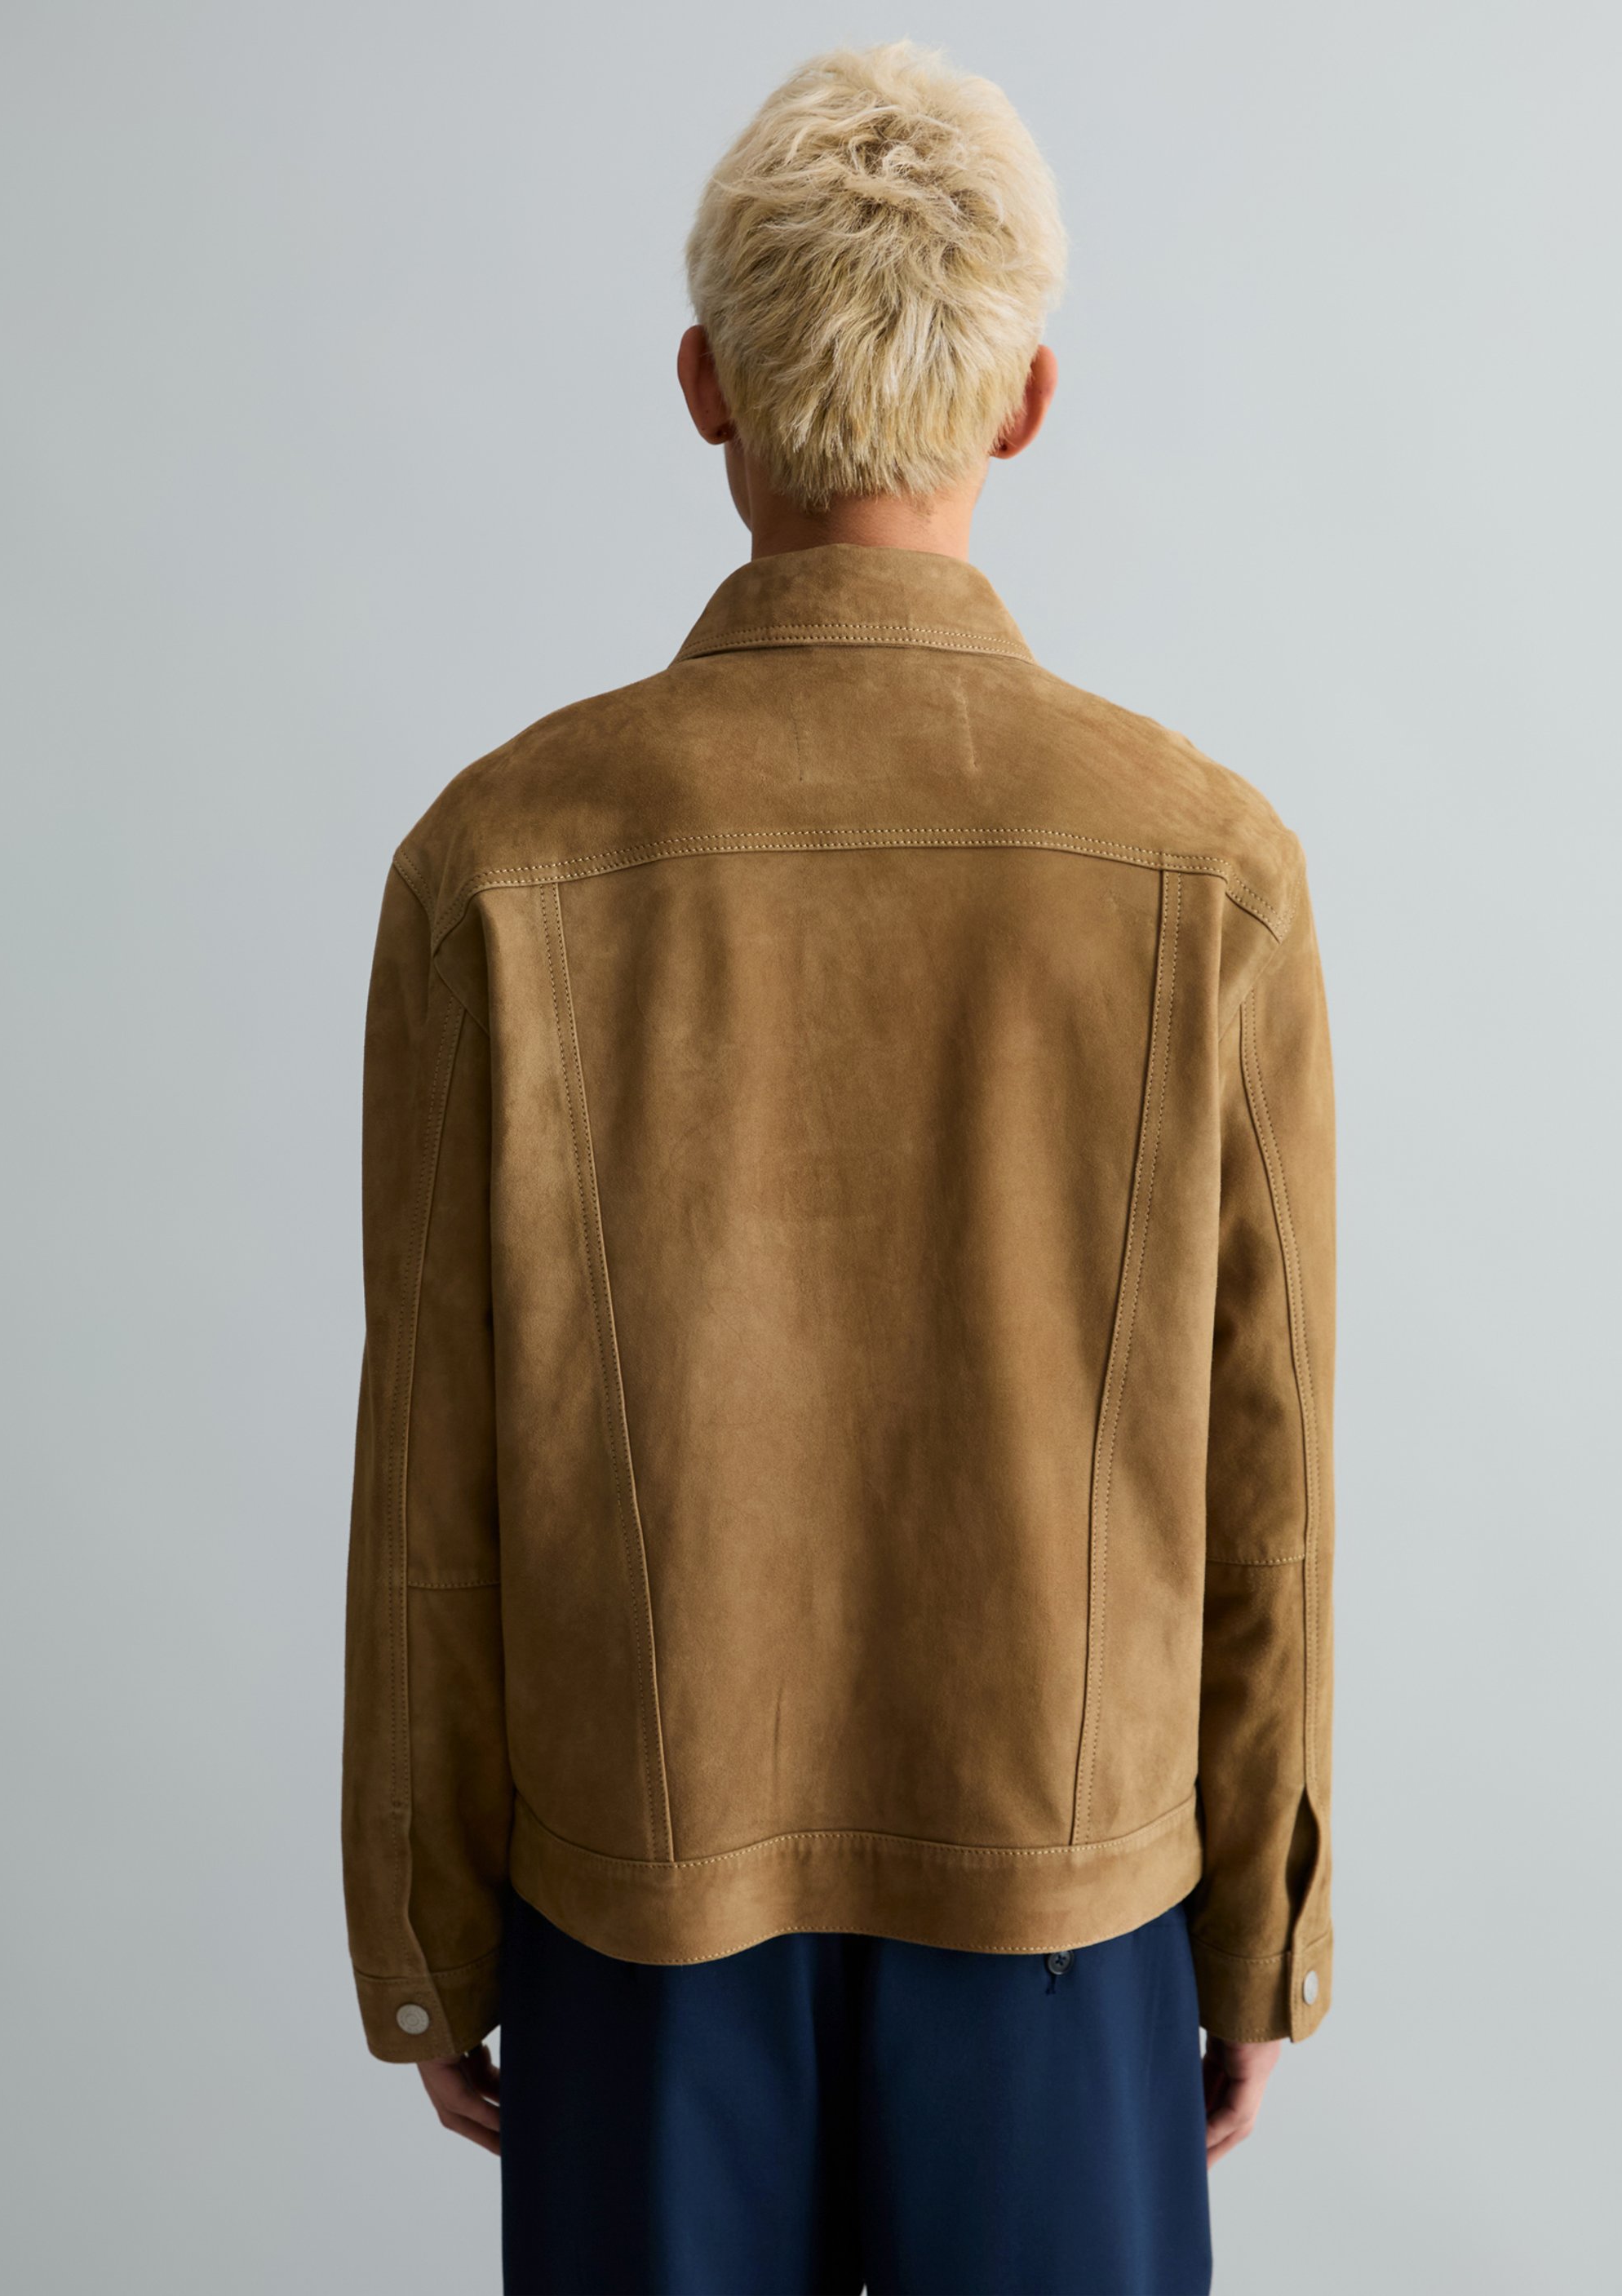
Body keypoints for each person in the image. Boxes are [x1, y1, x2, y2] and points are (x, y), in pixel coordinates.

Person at [341, 41, 1336, 2296]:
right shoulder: (1209, 869)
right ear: (1029, 401)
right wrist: (1257, 1938)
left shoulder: (496, 863)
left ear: (705, 386)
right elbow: (1264, 1468)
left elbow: (432, 1472)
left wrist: (426, 1924)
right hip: (1069, 1904)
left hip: (637, 1904)